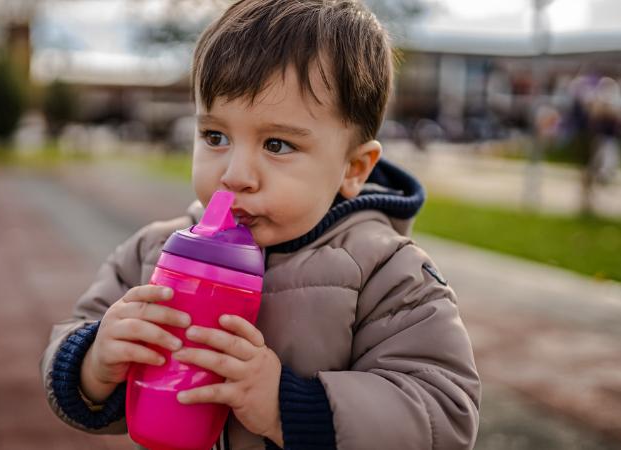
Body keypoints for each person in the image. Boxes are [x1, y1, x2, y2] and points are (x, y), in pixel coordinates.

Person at [40, 1, 480, 448]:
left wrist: (287, 406)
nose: (234, 174)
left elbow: (443, 414)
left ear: (353, 168)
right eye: (216, 137)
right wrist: (94, 364)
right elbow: (76, 336)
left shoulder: (387, 273)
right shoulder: (153, 252)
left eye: (276, 144)